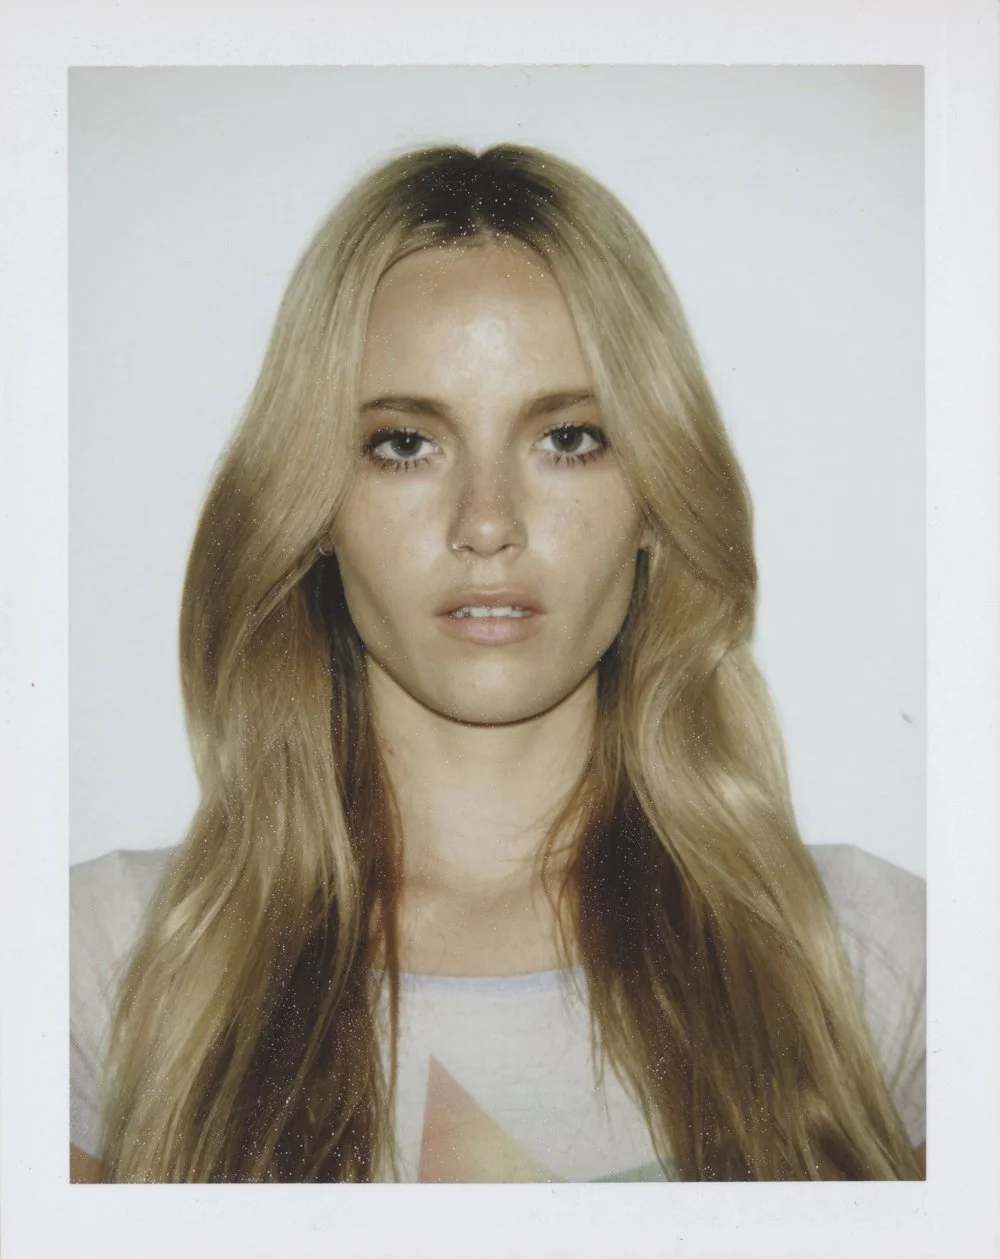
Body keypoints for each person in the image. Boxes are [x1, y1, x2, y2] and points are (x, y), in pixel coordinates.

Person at [70, 144, 925, 1183]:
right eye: (404, 443)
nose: (486, 522)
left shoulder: (878, 962)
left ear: (657, 497)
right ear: (313, 506)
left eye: (567, 438)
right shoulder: (98, 967)